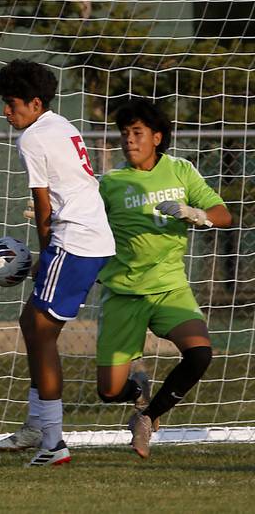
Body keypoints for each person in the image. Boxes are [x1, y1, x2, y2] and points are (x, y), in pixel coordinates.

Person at [0, 60, 115, 466]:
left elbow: (44, 202)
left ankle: (53, 441)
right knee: (33, 324)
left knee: (41, 334)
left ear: (35, 102)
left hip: (74, 241)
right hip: (91, 237)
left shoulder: (30, 139)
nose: (6, 113)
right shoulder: (63, 125)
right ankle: (37, 424)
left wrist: (45, 254)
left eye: (11, 104)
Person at [95, 98, 232, 459]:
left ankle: (147, 415)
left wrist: (197, 215)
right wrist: (56, 218)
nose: (129, 141)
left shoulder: (181, 170)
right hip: (124, 292)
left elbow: (223, 214)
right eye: (124, 134)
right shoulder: (109, 183)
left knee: (200, 354)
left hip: (170, 287)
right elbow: (86, 224)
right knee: (108, 391)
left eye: (137, 133)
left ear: (157, 137)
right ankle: (135, 387)